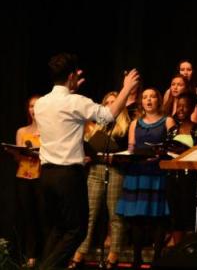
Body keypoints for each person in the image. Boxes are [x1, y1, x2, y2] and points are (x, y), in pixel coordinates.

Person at [33, 54, 139, 270]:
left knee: (58, 229)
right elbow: (107, 116)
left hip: (46, 175)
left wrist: (71, 91)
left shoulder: (42, 103)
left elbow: (63, 111)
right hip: (67, 176)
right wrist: (126, 89)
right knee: (77, 230)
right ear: (72, 76)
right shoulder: (76, 101)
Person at [69, 92, 131, 270]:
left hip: (116, 171)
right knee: (90, 213)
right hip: (96, 170)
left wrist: (117, 157)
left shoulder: (126, 126)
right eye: (108, 103)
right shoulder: (98, 126)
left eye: (114, 102)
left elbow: (130, 151)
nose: (112, 105)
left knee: (115, 216)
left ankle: (113, 256)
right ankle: (80, 254)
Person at [115, 87, 174, 269]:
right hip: (137, 172)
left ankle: (157, 257)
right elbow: (132, 147)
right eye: (145, 97)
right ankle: (137, 258)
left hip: (156, 172)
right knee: (136, 216)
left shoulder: (168, 121)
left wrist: (160, 155)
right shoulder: (135, 123)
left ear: (158, 100)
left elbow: (173, 147)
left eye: (152, 97)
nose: (148, 100)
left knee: (157, 215)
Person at [9, 96, 43, 269]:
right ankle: (31, 256)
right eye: (30, 105)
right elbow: (18, 158)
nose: (33, 108)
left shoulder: (48, 131)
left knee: (43, 216)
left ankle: (45, 254)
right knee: (28, 217)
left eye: (36, 105)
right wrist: (15, 152)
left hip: (41, 177)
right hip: (23, 177)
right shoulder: (22, 131)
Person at [165, 93, 197, 246]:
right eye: (178, 106)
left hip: (191, 178)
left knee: (188, 214)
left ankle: (189, 247)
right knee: (175, 214)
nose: (180, 109)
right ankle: (178, 248)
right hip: (173, 176)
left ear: (192, 108)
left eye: (184, 106)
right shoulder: (172, 130)